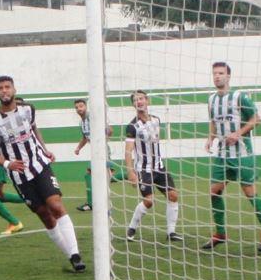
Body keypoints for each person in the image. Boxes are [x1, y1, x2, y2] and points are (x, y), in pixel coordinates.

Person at [0, 76, 86, 272]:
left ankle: (76, 255)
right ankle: (70, 256)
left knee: (55, 205)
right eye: (0, 88)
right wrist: (8, 163)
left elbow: (34, 129)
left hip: (40, 165)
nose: (4, 91)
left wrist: (45, 150)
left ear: (14, 89)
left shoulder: (28, 109)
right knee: (45, 215)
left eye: (7, 87)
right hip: (19, 175)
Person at [203, 62, 261, 252]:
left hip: (242, 154)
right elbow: (214, 122)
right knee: (214, 192)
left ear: (228, 76)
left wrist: (238, 133)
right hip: (222, 155)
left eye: (221, 73)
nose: (217, 76)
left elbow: (256, 119)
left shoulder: (240, 97)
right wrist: (210, 138)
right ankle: (220, 233)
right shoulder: (211, 100)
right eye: (214, 73)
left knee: (249, 193)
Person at [123, 91, 183, 243]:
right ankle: (132, 227)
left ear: (147, 101)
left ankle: (171, 232)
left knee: (173, 196)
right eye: (135, 100)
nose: (139, 101)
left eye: (141, 98)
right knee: (149, 201)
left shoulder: (156, 120)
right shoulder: (132, 126)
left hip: (159, 167)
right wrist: (131, 172)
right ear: (133, 105)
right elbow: (128, 151)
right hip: (144, 169)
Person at [73, 98, 124, 212]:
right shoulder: (82, 123)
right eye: (76, 107)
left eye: (81, 106)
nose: (79, 109)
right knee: (101, 177)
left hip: (102, 150)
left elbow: (110, 130)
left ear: (85, 106)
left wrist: (102, 140)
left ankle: (132, 175)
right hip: (95, 151)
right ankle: (132, 175)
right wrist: (78, 148)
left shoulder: (92, 117)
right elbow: (85, 138)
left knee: (97, 176)